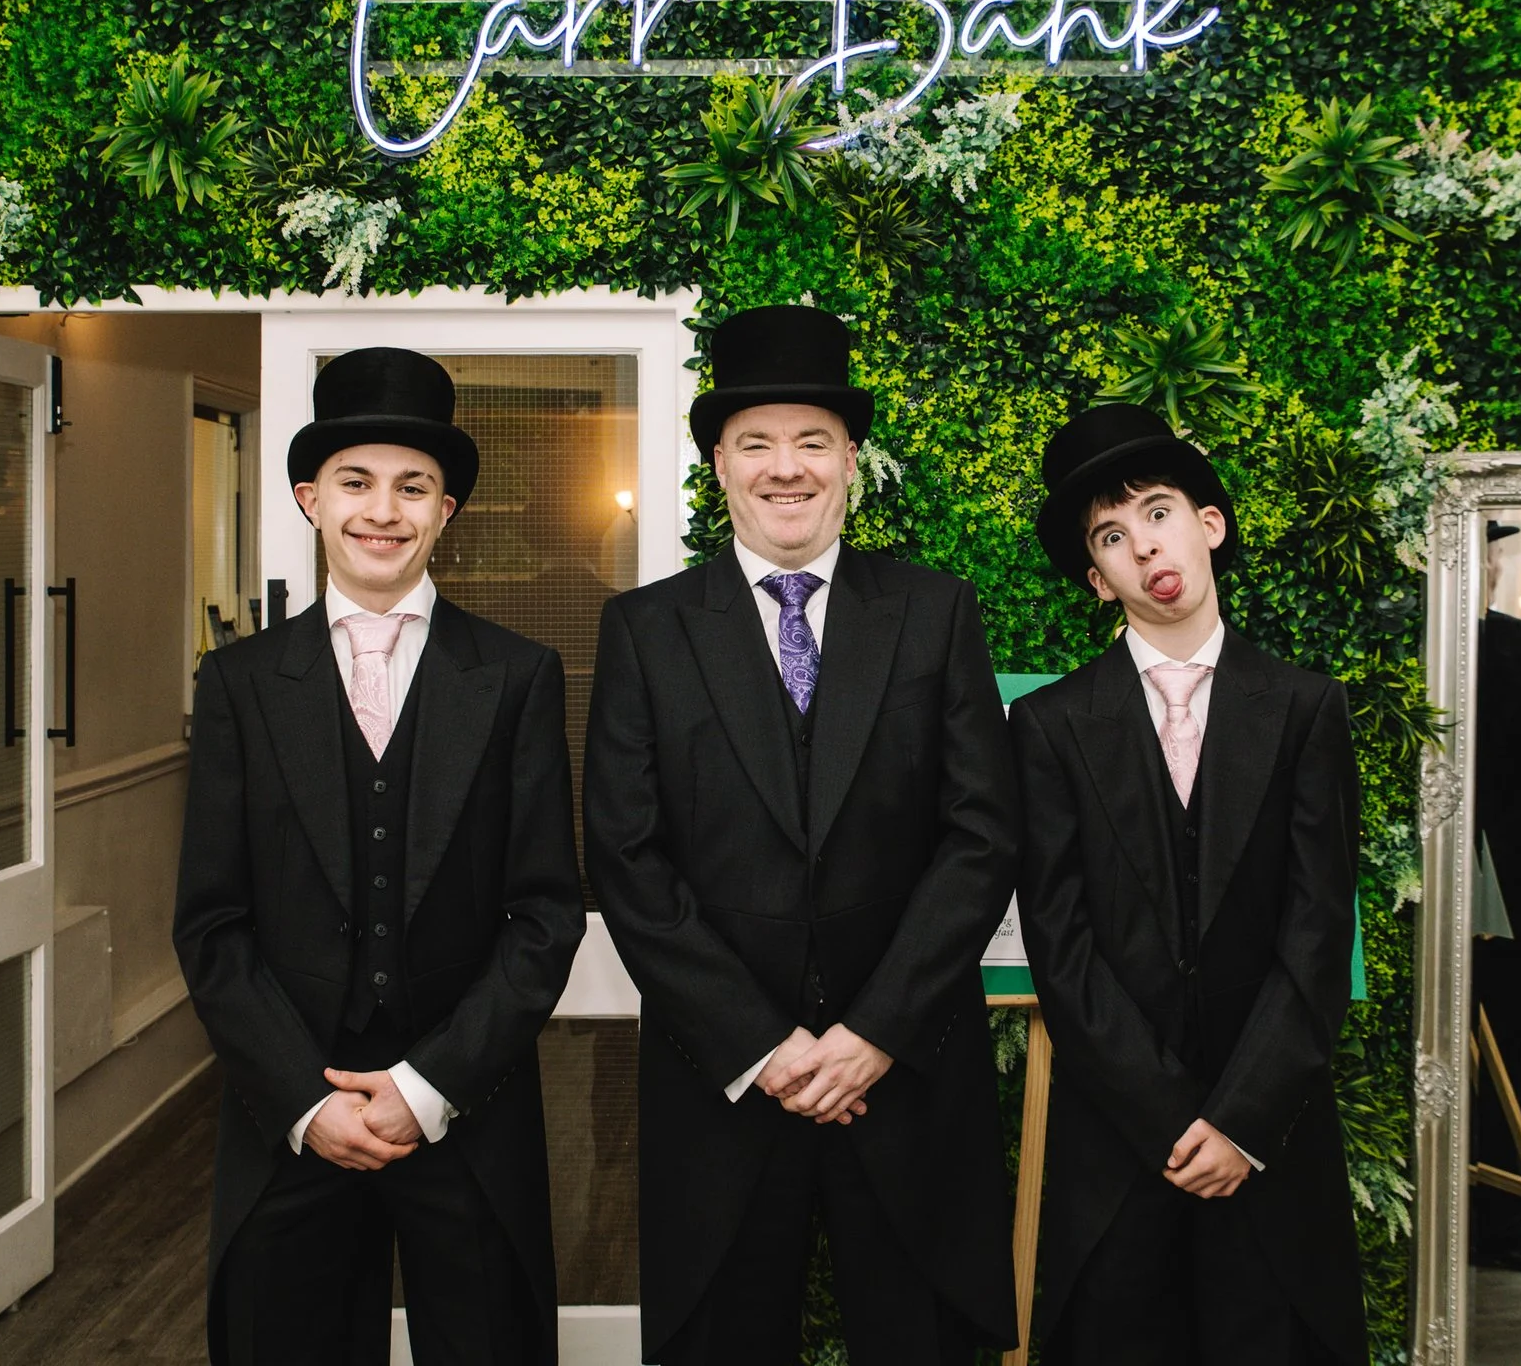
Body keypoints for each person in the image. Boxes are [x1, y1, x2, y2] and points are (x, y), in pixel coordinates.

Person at [584, 304, 1019, 1366]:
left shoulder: (935, 612)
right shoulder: (646, 630)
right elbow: (628, 859)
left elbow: (981, 835)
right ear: (718, 466)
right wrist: (762, 1046)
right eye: (757, 443)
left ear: (850, 461)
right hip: (724, 1088)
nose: (787, 468)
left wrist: (873, 1033)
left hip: (907, 1081)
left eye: (813, 441)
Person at [174, 346, 585, 1364]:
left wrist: (428, 1085)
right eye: (356, 482)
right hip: (291, 1117)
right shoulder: (238, 683)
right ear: (310, 499)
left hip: (466, 1108)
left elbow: (544, 914)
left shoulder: (516, 675)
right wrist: (306, 1102)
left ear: (446, 511)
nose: (383, 510)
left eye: (413, 486)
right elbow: (213, 925)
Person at [1009, 402, 1368, 1366]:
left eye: (1159, 512)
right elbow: (1061, 944)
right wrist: (1172, 1120)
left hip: (1271, 1143)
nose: (1144, 546)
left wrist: (1240, 1122)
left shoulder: (1305, 707)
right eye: (1111, 537)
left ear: (1210, 524)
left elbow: (1317, 931)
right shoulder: (1049, 726)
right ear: (1098, 580)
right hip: (1121, 1147)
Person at [1469, 522, 1521, 1274]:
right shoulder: (1505, 640)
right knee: (1505, 1046)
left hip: (1452, 873)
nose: (1498, 565)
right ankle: (1497, 1219)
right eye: (1494, 551)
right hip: (1501, 883)